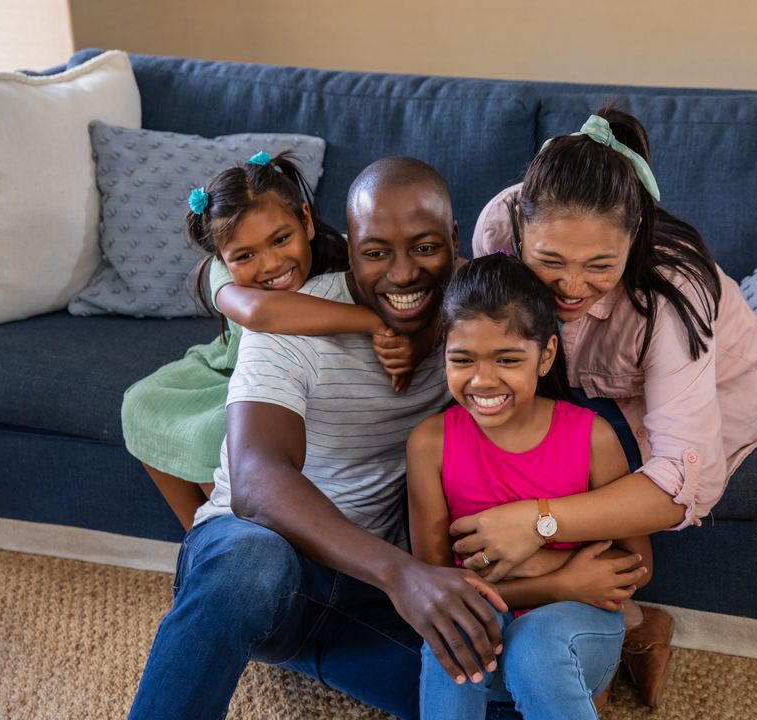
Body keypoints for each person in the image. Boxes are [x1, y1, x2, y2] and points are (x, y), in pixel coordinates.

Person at [129, 157, 510, 720]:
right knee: (251, 565)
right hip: (264, 559)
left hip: (365, 593)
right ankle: (252, 621)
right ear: (350, 247)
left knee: (505, 697)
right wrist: (402, 574)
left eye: (425, 248)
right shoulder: (289, 324)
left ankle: (313, 652)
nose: (403, 274)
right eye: (376, 252)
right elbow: (257, 483)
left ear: (454, 242)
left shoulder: (473, 315)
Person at [465, 108, 757, 706]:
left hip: (707, 392)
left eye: (600, 266)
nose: (571, 287)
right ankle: (613, 620)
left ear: (634, 235)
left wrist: (536, 520)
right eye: (550, 261)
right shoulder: (499, 226)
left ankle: (616, 628)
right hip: (577, 379)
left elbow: (680, 484)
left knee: (569, 477)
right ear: (521, 226)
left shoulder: (673, 290)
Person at [408, 253, 651, 719]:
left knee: (533, 647)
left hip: (574, 640)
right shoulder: (429, 443)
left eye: (507, 359)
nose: (483, 380)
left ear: (546, 356)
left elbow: (636, 567)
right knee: (454, 625)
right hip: (486, 639)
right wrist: (560, 580)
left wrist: (518, 573)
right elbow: (437, 588)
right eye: (462, 359)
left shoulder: (592, 437)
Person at [121, 150, 418, 531]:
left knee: (215, 438)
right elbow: (261, 312)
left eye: (281, 239)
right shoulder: (221, 273)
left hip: (298, 380)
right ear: (223, 258)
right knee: (141, 404)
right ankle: (200, 534)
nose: (271, 264)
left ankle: (248, 530)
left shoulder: (347, 254)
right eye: (245, 255)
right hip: (230, 372)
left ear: (306, 220)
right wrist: (372, 322)